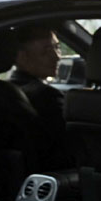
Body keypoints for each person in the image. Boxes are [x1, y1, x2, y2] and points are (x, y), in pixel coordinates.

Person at [9, 23, 71, 165]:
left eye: (57, 47)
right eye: (46, 51)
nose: (57, 57)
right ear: (22, 57)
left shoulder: (0, 91)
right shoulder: (46, 97)